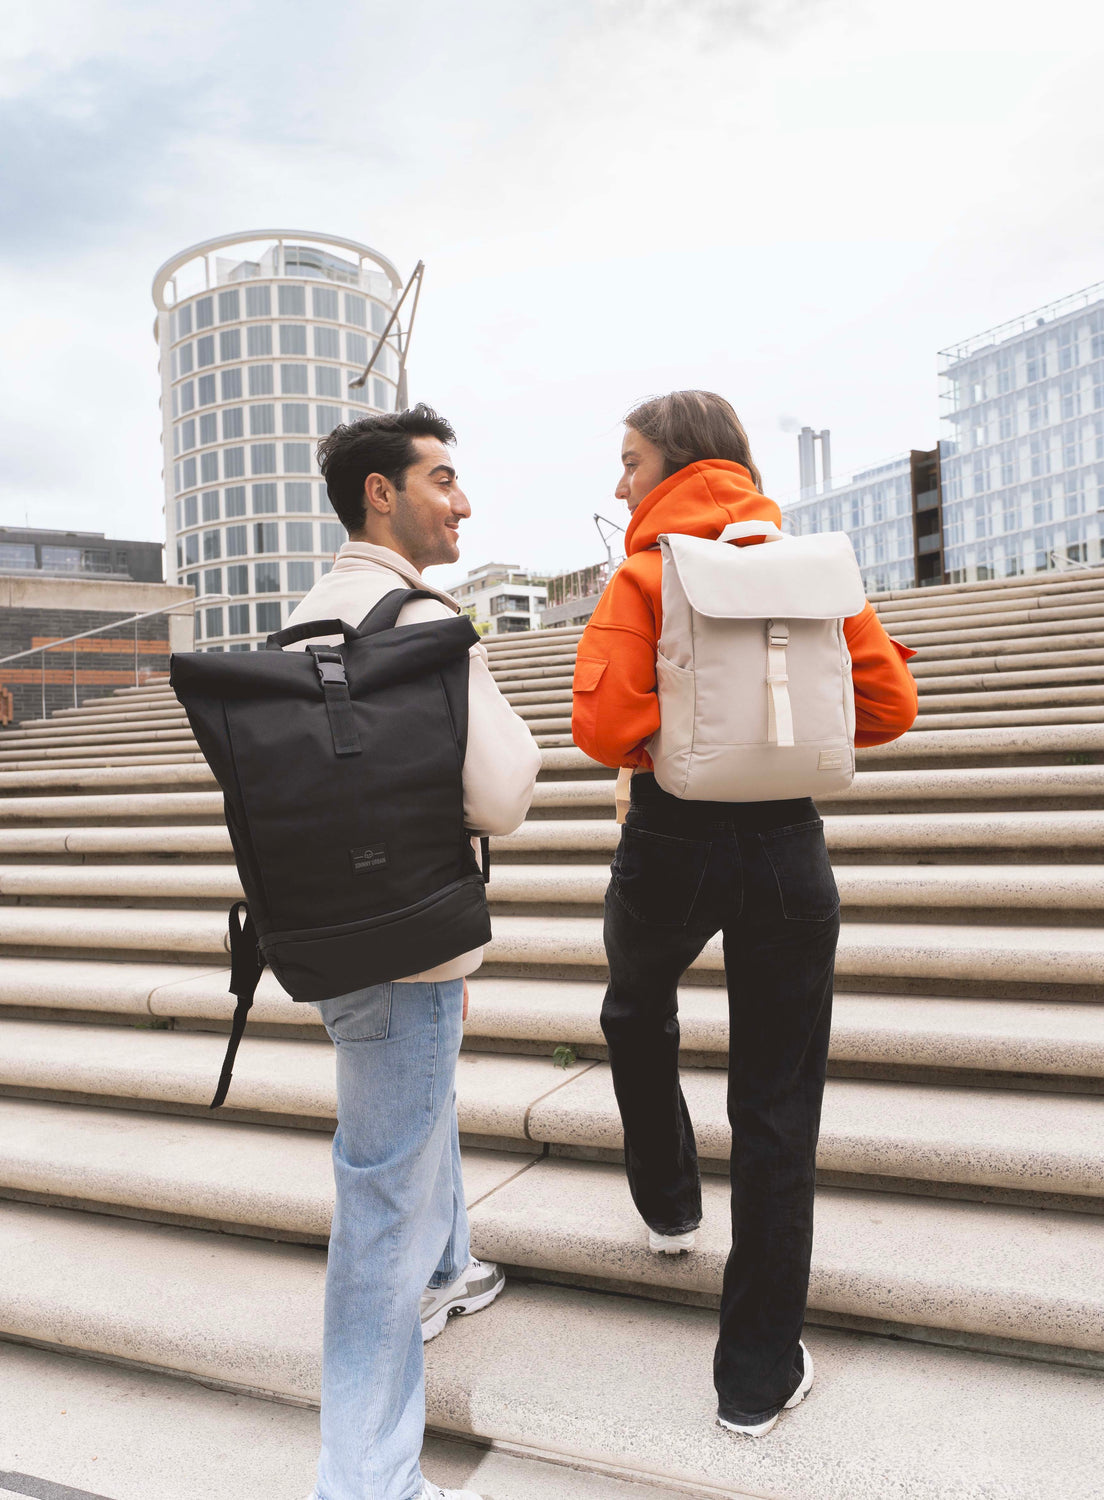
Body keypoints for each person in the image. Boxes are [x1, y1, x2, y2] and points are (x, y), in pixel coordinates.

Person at [571, 391, 918, 1439]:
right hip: (785, 846)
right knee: (777, 1105)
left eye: (630, 460)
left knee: (635, 1008)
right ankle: (756, 1378)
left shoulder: (644, 574)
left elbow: (604, 726)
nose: (619, 481)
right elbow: (890, 707)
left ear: (675, 463)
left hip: (669, 838)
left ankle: (670, 1200)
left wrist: (676, 735)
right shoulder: (815, 571)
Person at [289, 406, 542, 1500]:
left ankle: (452, 1265)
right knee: (378, 1209)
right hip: (410, 933)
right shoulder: (421, 615)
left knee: (406, 1119)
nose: (463, 502)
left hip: (334, 929)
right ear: (380, 494)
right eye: (442, 479)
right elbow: (503, 791)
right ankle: (366, 1480)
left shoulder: (305, 615)